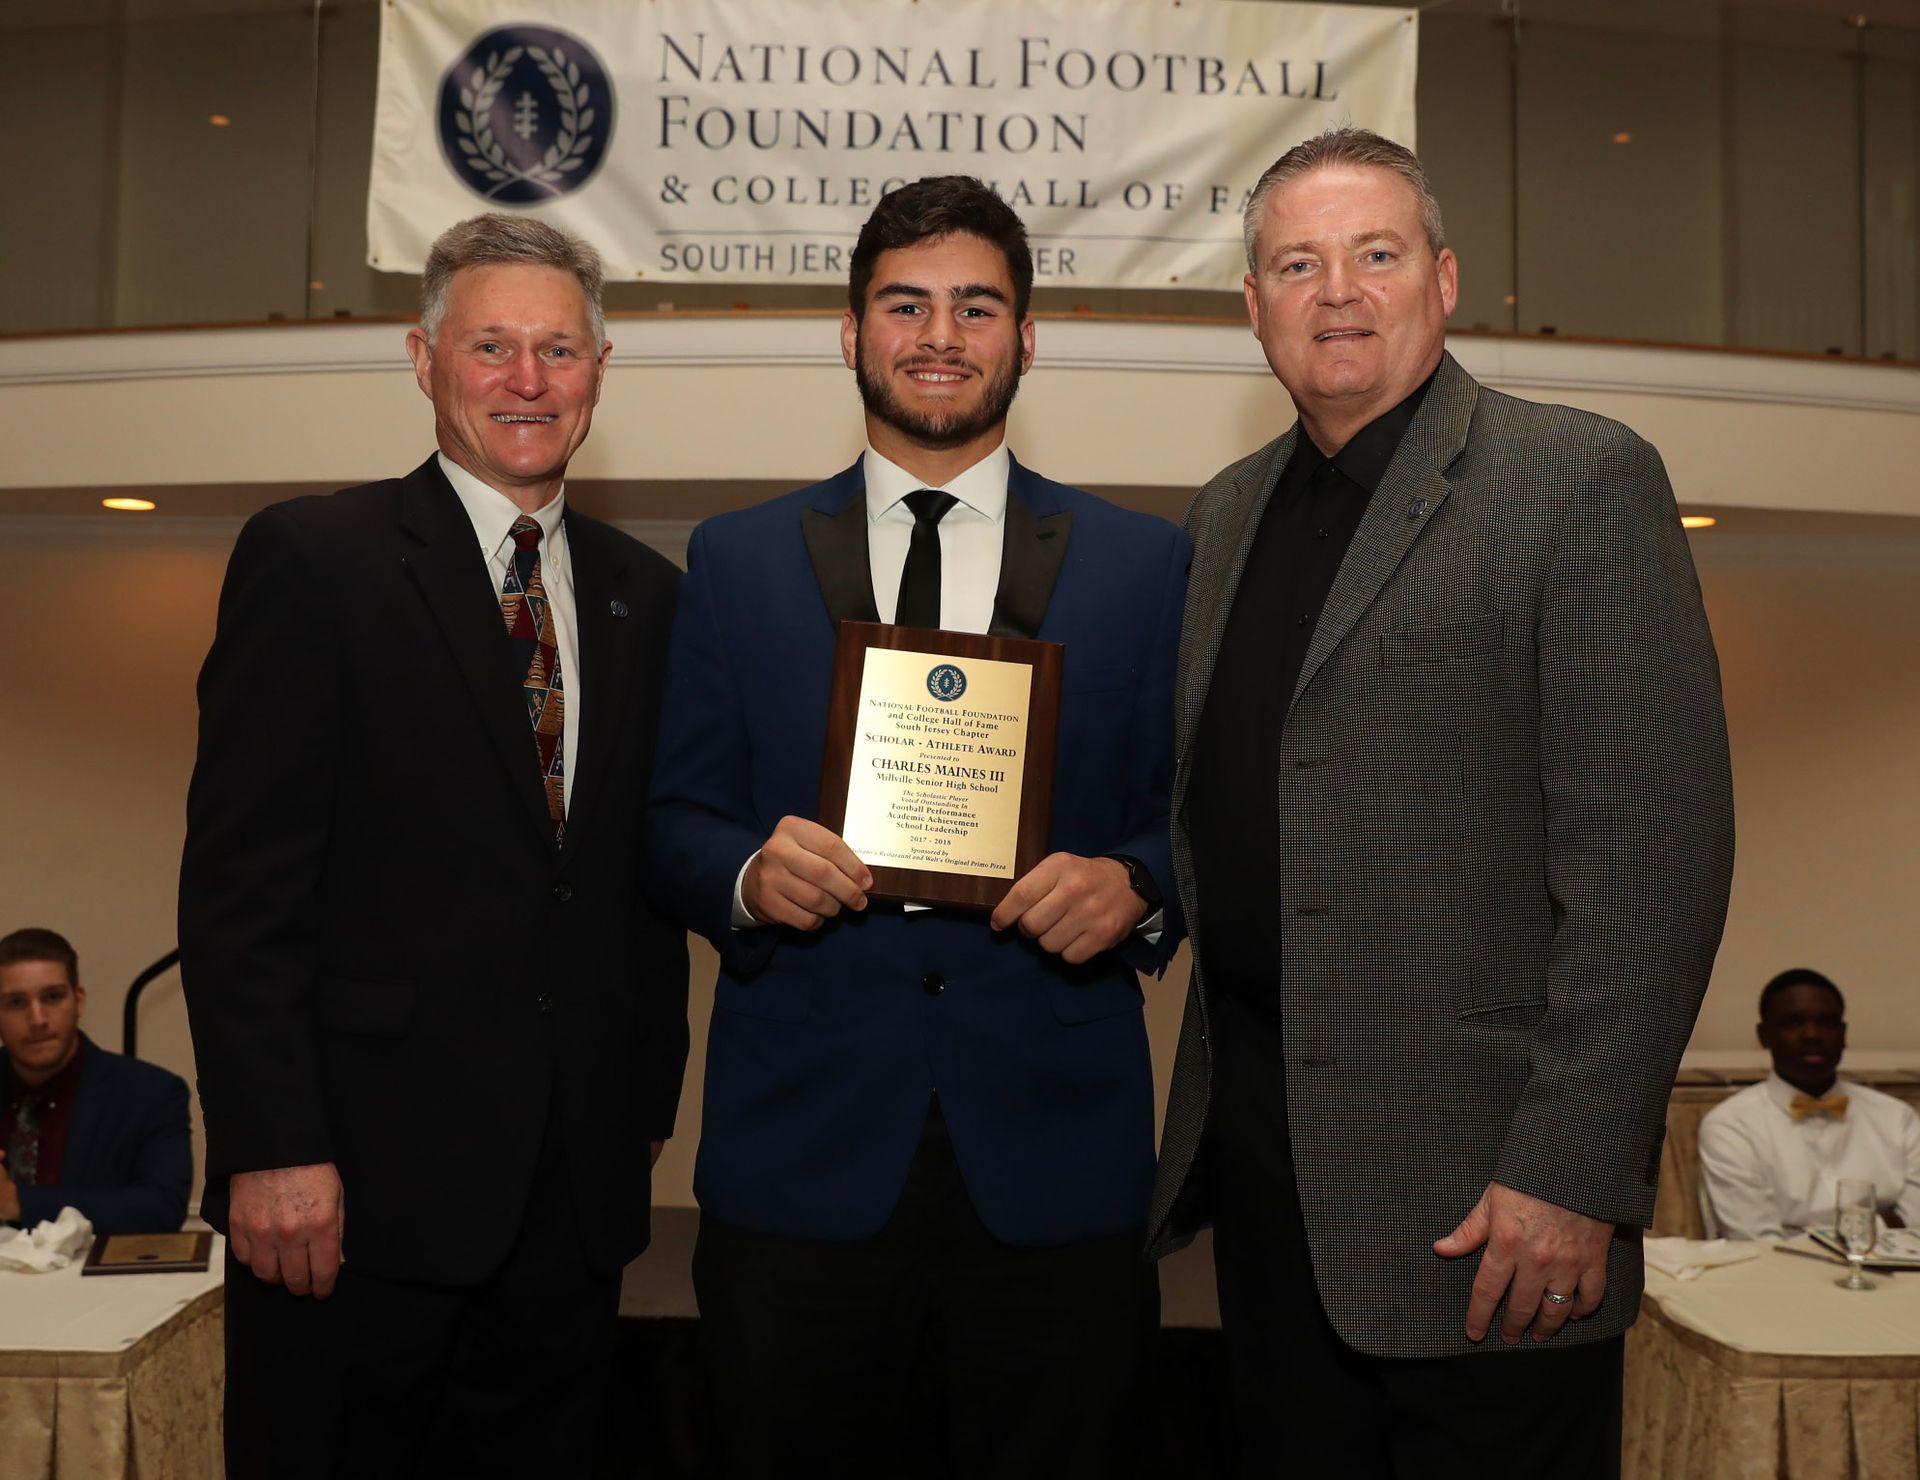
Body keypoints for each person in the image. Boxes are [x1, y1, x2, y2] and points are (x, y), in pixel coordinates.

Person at [1146, 127, 1736, 1477]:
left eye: (1374, 254)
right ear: (1252, 306)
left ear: (1445, 278)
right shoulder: (1224, 515)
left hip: (1491, 1207)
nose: (1336, 291)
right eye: (1296, 263)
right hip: (1272, 1190)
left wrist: (1575, 1170)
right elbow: (1227, 814)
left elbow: (1650, 868)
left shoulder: (1573, 481)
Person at [646, 175, 1187, 1478]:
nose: (939, 333)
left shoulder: (1145, 561)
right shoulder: (735, 556)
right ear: (851, 332)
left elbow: (1200, 819)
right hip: (802, 1158)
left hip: (1059, 1161)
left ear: (1026, 338)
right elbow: (670, 818)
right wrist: (742, 874)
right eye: (905, 303)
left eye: (976, 305)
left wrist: (1139, 885)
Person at [178, 214, 688, 1479]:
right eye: (493, 347)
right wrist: (272, 1144)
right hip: (348, 1200)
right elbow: (243, 890)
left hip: (572, 1205)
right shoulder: (314, 561)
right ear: (423, 359)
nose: (528, 382)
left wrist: (639, 1111)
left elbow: (623, 882)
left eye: (559, 350)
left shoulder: (645, 593)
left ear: (601, 372)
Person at [1699, 968, 1920, 1240]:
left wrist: (1800, 1233)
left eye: (1827, 1023)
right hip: (1775, 1280)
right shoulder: (1730, 1125)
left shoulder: (1898, 1118)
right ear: (1763, 1035)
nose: (1811, 1034)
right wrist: (1880, 1222)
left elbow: (1916, 1228)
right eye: (1792, 1023)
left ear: (1843, 1033)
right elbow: (1755, 1240)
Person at [0, 928, 191, 1234]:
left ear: (78, 1001)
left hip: (94, 1280)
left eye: (52, 997)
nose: (37, 1019)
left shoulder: (151, 1092)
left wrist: (17, 1202)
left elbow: (161, 1208)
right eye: (15, 1003)